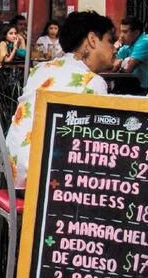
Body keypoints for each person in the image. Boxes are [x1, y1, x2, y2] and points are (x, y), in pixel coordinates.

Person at [7, 11, 115, 189]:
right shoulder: (92, 82)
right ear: (92, 40)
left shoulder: (40, 70)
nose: (115, 47)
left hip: (14, 176)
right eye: (110, 40)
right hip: (48, 184)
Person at [114, 16, 148, 91]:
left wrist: (118, 66)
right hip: (143, 88)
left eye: (125, 32)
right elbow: (112, 65)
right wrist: (115, 47)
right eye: (121, 31)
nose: (121, 35)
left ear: (136, 33)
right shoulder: (128, 45)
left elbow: (127, 70)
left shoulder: (145, 42)